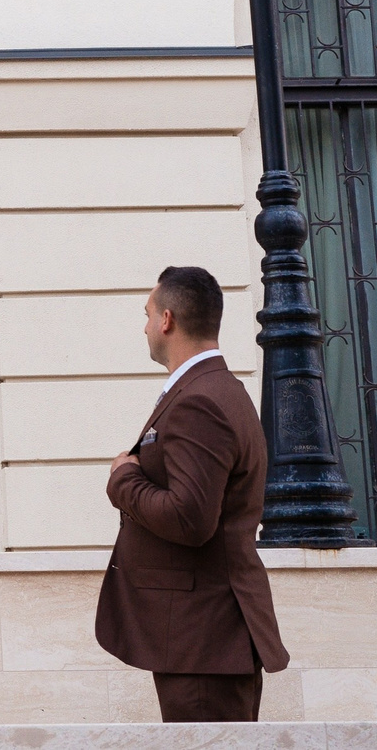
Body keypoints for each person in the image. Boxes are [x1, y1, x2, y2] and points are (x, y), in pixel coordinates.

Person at [94, 265, 290, 722]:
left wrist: (123, 480)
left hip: (203, 640)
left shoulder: (199, 400)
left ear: (167, 320)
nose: (145, 327)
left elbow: (190, 518)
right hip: (206, 640)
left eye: (147, 314)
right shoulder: (219, 389)